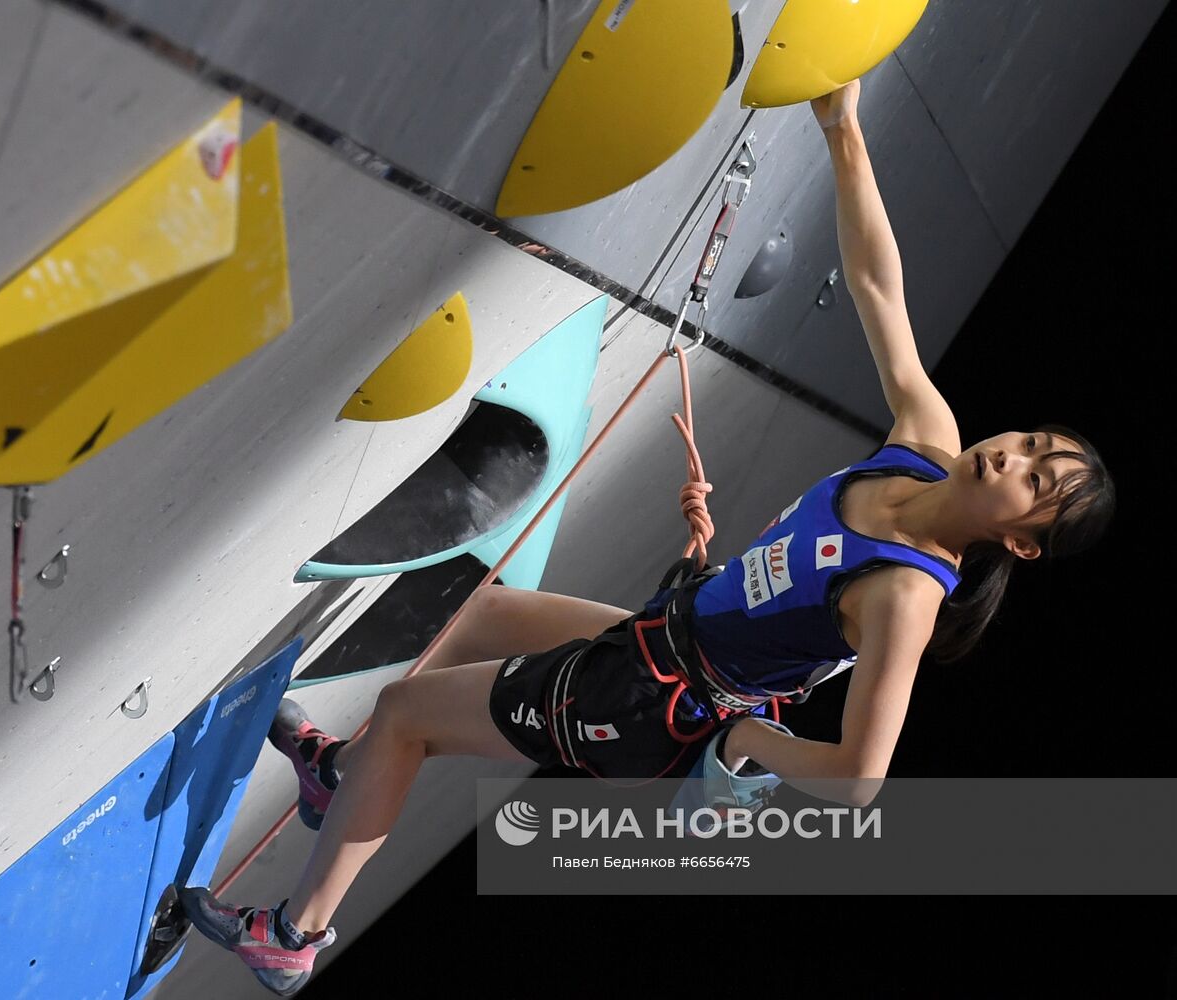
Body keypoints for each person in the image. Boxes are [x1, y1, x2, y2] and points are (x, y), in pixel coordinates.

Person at [175, 77, 1116, 995]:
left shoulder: (906, 596)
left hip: (652, 703)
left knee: (407, 720)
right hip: (665, 635)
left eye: (1036, 482)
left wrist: (754, 738)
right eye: (1029, 443)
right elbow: (877, 282)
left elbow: (860, 782)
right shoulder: (925, 445)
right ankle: (342, 780)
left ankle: (293, 939)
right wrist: (843, 127)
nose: (1010, 459)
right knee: (480, 611)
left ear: (1024, 544)